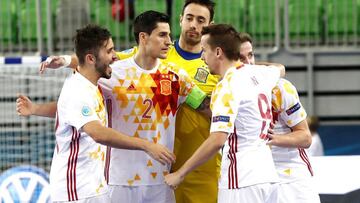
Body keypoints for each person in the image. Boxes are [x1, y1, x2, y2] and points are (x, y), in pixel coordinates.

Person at [40, 1, 221, 202]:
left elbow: (207, 108)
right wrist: (65, 61)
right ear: (143, 38)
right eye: (162, 35)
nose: (169, 41)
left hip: (161, 179)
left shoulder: (177, 77)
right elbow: (79, 100)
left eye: (169, 35)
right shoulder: (112, 72)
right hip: (118, 180)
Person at [16, 24, 175, 202]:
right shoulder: (77, 91)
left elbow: (67, 110)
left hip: (94, 188)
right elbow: (97, 133)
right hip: (76, 193)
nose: (115, 57)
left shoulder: (92, 85)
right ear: (91, 59)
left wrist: (35, 109)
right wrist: (147, 145)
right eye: (109, 51)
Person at [165, 24, 285, 203]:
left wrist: (180, 174)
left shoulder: (226, 86)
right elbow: (280, 69)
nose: (202, 57)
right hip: (268, 177)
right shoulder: (260, 73)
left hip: (241, 180)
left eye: (204, 51)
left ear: (219, 52)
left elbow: (217, 139)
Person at [238, 32, 321, 203]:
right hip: (253, 177)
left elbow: (305, 137)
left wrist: (272, 138)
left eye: (251, 55)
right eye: (241, 58)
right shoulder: (227, 92)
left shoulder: (280, 88)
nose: (249, 62)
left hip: (290, 176)